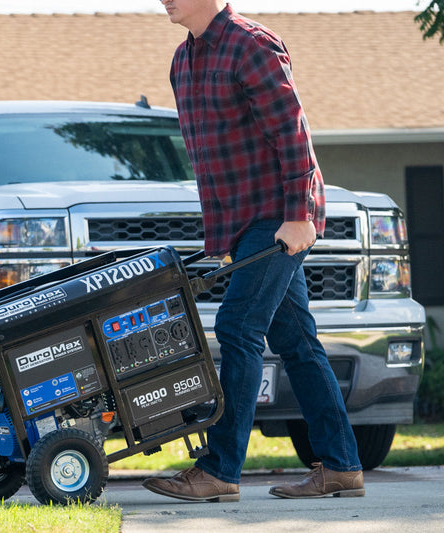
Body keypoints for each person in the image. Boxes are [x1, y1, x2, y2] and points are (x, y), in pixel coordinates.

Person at [143, 1, 365, 501]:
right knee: (297, 339)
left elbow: (294, 135)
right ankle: (343, 466)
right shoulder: (183, 61)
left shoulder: (252, 44)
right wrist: (222, 240)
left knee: (238, 326)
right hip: (241, 222)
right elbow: (210, 154)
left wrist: (299, 214)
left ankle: (221, 471)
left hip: (277, 216)